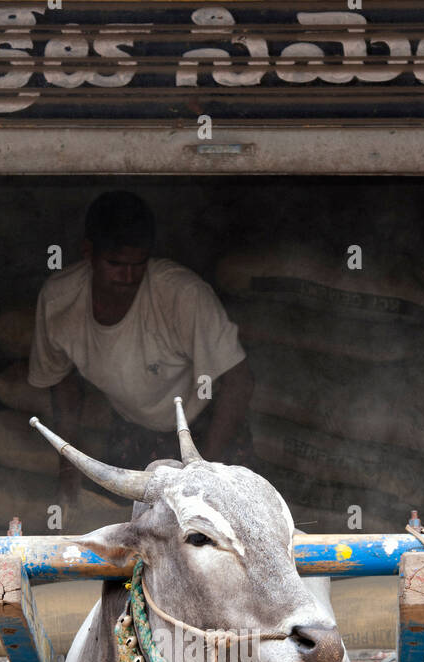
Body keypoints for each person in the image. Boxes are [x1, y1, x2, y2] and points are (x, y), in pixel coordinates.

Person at [27, 190, 255, 507]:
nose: (129, 276)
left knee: (214, 538)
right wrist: (69, 469)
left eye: (139, 264)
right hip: (134, 429)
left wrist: (203, 475)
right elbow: (61, 384)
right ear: (88, 252)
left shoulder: (182, 294)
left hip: (206, 429)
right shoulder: (59, 303)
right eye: (116, 264)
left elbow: (239, 382)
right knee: (132, 537)